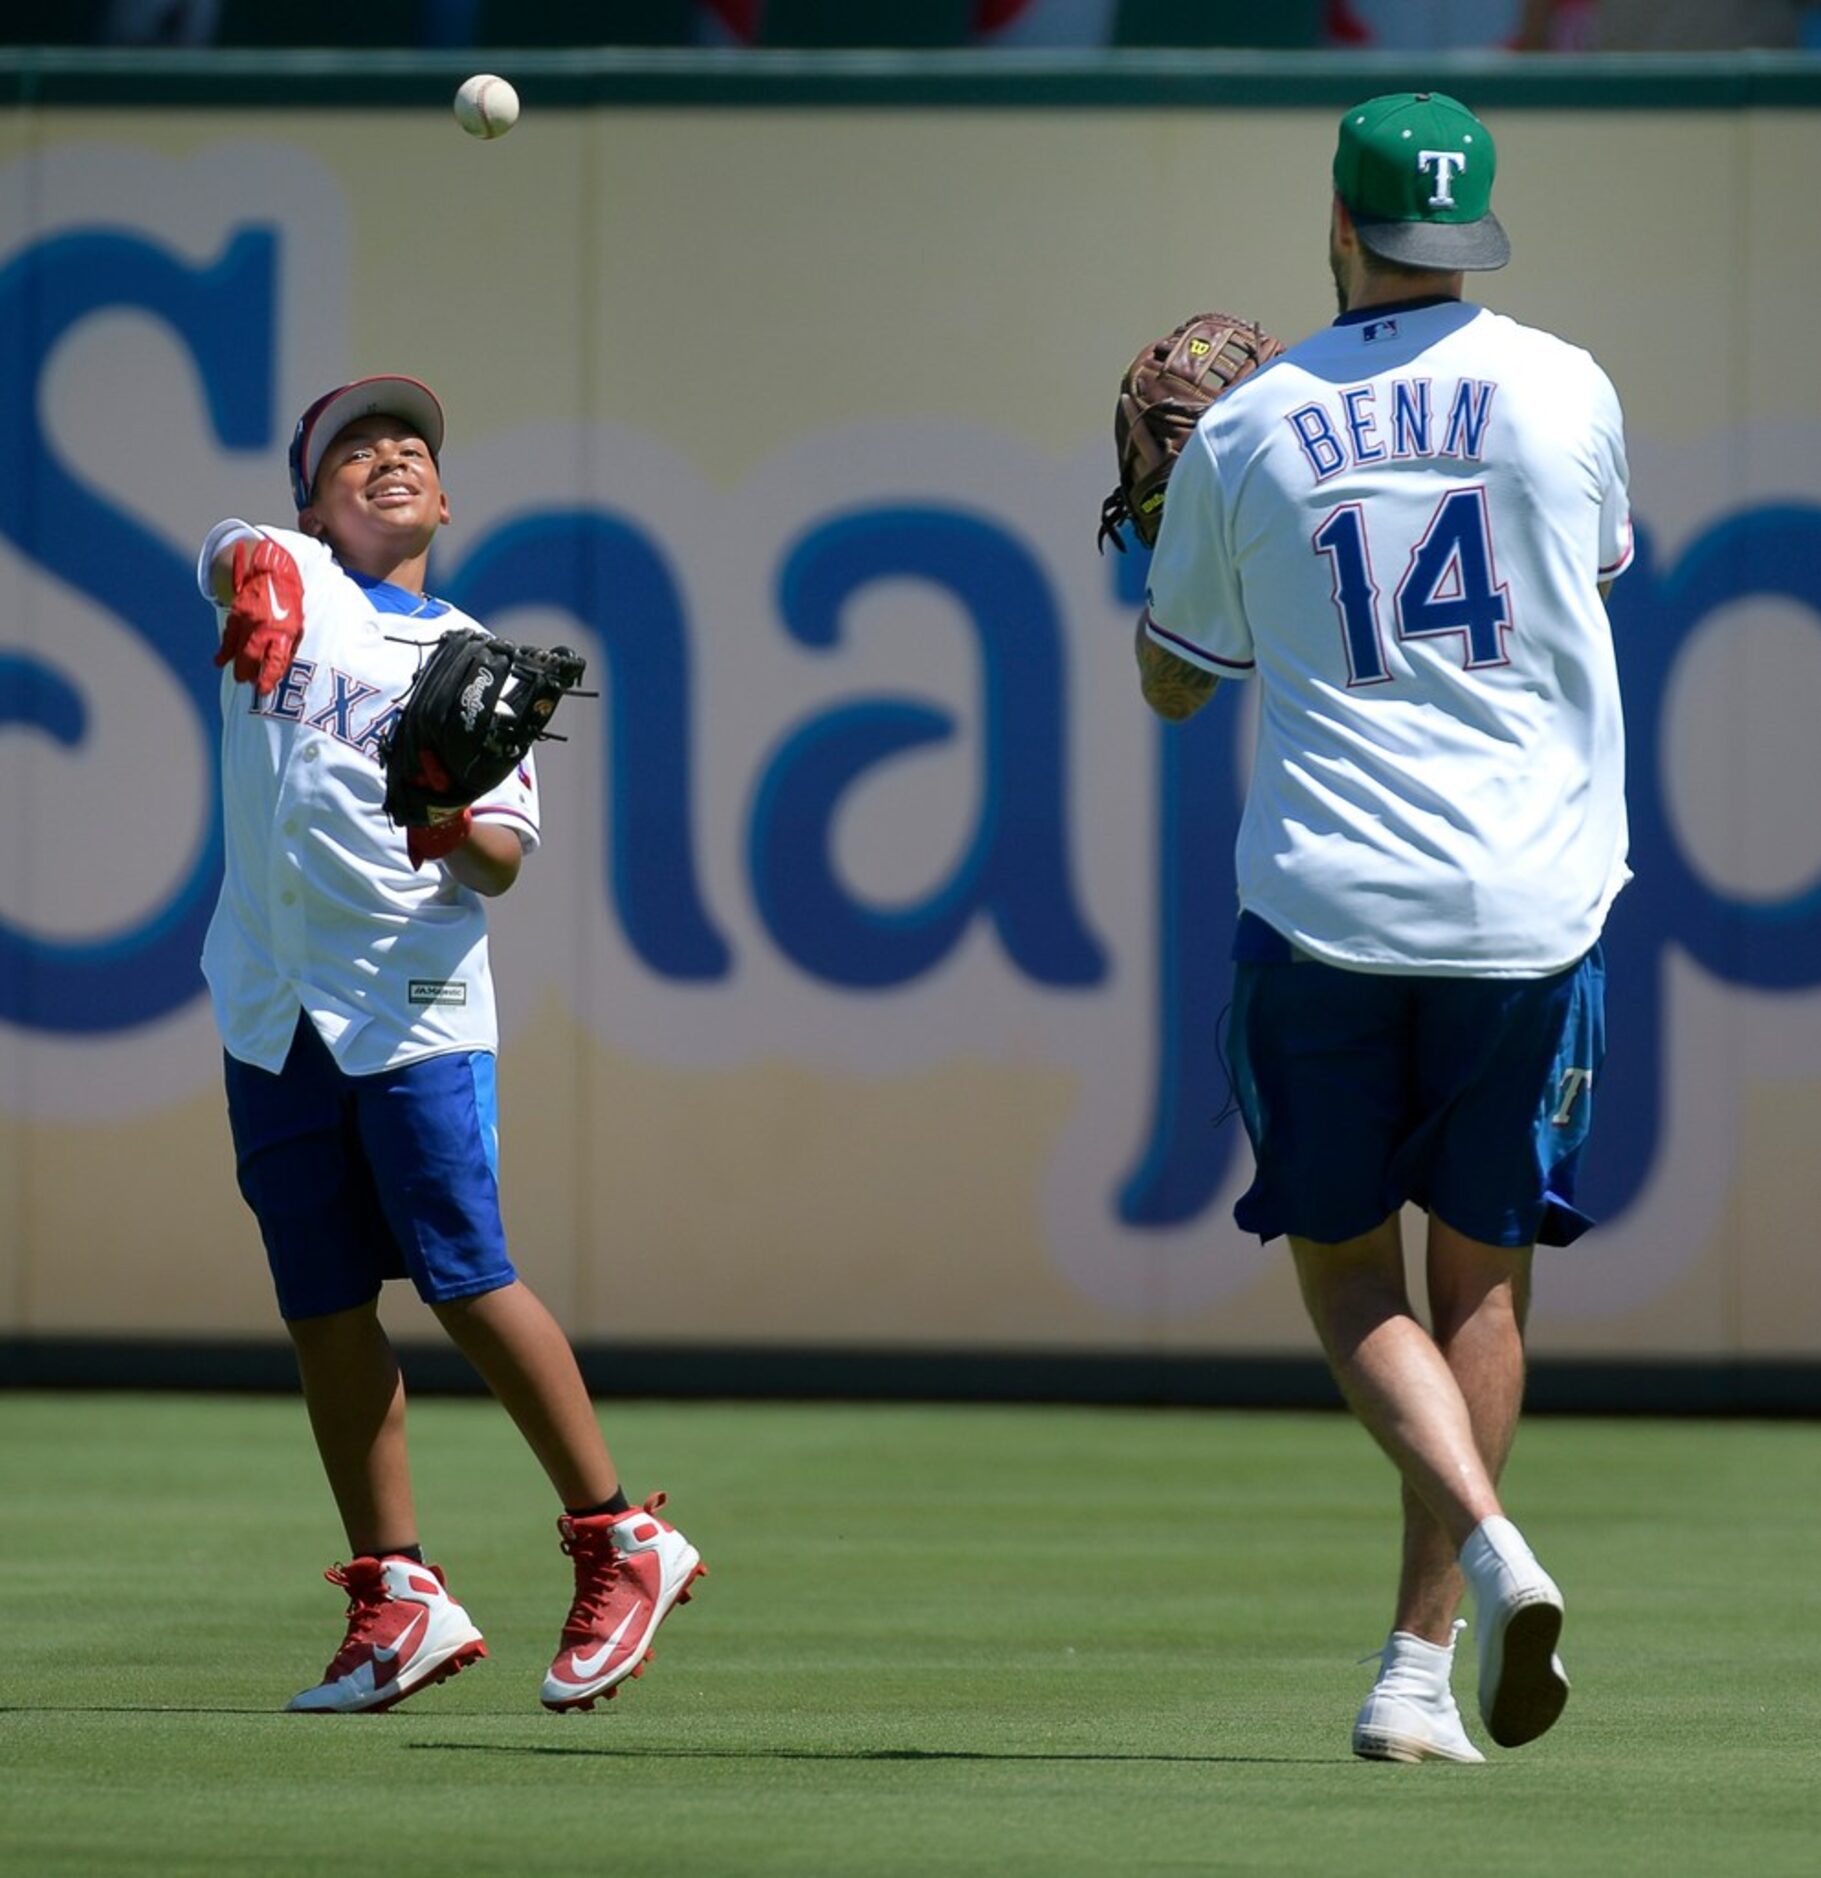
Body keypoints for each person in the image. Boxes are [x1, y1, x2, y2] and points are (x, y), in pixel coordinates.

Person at [1136, 93, 1632, 1761]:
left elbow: (1172, 683)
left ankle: (1485, 1564)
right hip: (1533, 902)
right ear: (1471, 231)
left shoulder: (1249, 427)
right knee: (1477, 1280)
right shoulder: (1568, 385)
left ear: (1335, 228)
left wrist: (1152, 522)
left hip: (1333, 901)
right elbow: (1589, 571)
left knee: (1349, 1274)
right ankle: (1412, 1670)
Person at [198, 375, 704, 1713]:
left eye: (412, 443)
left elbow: (499, 864)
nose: (391, 456)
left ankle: (618, 1534)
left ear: (446, 494)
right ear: (311, 496)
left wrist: (443, 816)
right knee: (321, 1308)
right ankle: (397, 1595)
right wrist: (246, 568)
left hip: (409, 1001)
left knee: (466, 1277)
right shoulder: (287, 572)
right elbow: (225, 548)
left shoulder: (470, 653)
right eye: (356, 446)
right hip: (270, 1001)